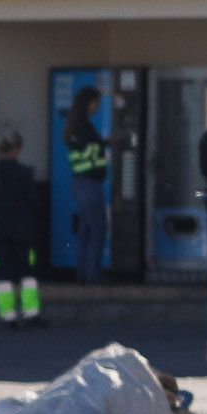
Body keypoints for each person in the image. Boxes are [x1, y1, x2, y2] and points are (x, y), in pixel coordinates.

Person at [0, 126, 43, 328]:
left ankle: (8, 316)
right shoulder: (26, 173)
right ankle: (31, 313)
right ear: (17, 149)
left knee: (3, 273)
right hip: (23, 229)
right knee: (27, 272)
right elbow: (33, 204)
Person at [62, 86, 118, 280]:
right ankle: (93, 275)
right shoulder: (85, 127)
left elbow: (88, 148)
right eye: (97, 102)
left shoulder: (75, 126)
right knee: (97, 230)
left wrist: (104, 143)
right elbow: (92, 150)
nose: (98, 106)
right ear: (89, 103)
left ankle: (83, 274)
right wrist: (108, 143)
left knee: (85, 231)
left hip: (79, 184)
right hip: (90, 186)